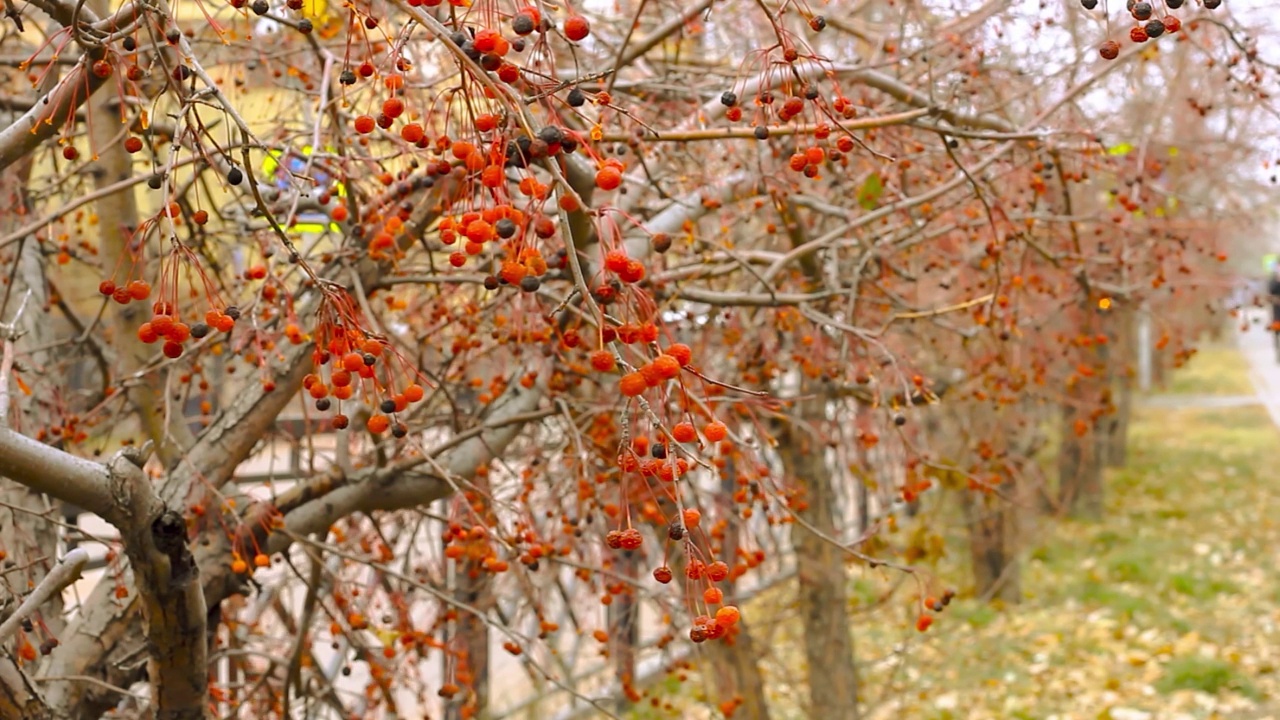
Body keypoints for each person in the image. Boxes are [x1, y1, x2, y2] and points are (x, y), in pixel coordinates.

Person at [1270, 263, 1280, 362]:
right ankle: (1278, 354)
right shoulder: (1273, 281)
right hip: (1277, 311)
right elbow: (1270, 294)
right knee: (1277, 332)